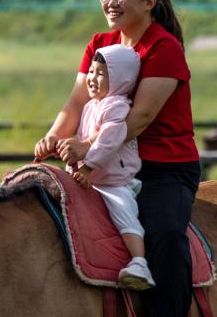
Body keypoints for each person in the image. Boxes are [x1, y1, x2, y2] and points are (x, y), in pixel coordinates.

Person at [35, 0, 199, 317]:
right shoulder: (100, 43)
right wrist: (54, 140)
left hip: (162, 167)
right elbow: (75, 104)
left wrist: (87, 148)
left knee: (163, 232)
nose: (111, 1)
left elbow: (138, 119)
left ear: (149, 1)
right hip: (102, 163)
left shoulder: (164, 49)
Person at [62, 44, 154, 290]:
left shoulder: (117, 107)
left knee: (122, 209)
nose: (92, 78)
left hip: (113, 181)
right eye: (91, 71)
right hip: (90, 179)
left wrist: (88, 168)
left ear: (121, 78)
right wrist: (73, 161)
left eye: (101, 73)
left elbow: (108, 141)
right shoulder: (90, 106)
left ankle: (139, 261)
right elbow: (84, 140)